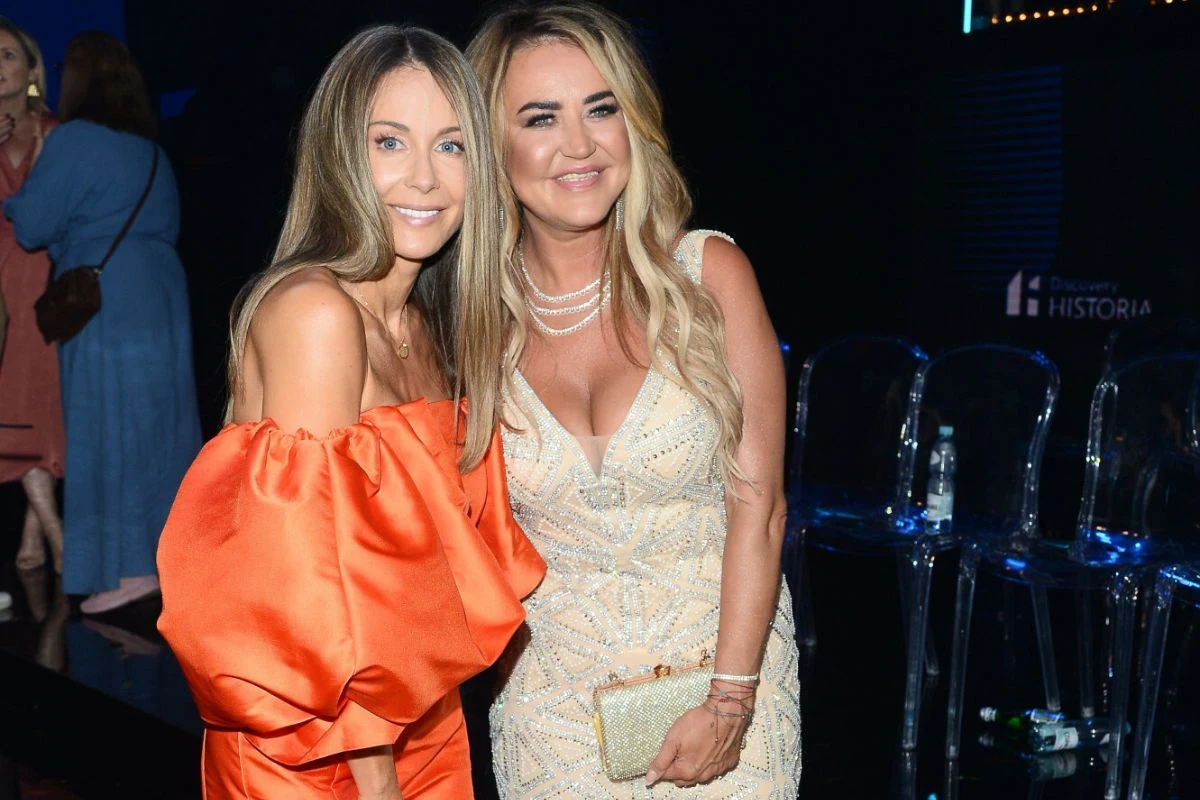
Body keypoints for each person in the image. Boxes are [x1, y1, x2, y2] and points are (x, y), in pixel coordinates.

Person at [156, 25, 545, 799]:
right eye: (389, 142)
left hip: (421, 725)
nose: (424, 178)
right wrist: (380, 783)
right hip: (320, 755)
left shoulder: (427, 330)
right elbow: (312, 599)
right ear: (340, 154)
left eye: (451, 146)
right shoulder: (317, 314)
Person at [468, 3, 802, 796]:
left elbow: (760, 507)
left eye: (601, 108)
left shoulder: (708, 276)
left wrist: (730, 703)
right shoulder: (472, 327)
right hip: (552, 712)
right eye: (540, 118)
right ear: (490, 147)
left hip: (725, 687)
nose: (579, 144)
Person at [5, 31, 202, 613]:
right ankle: (171, 555)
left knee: (107, 426)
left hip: (108, 300)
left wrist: (30, 178)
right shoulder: (150, 150)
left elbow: (32, 224)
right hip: (163, 294)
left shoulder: (76, 139)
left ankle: (125, 570)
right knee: (162, 430)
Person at [0, 18, 65, 575]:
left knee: (44, 406)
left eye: (7, 56)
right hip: (2, 286)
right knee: (15, 406)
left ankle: (36, 537)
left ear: (31, 69)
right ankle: (54, 538)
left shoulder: (60, 131)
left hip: (49, 279)